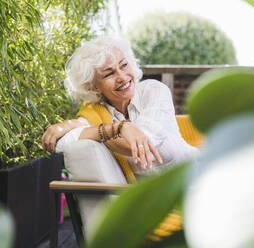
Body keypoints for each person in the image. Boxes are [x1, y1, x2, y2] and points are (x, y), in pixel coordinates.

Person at [41, 36, 198, 177]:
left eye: (123, 65)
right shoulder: (96, 113)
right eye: (109, 74)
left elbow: (142, 142)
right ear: (94, 87)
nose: (122, 77)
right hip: (161, 195)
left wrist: (81, 127)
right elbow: (61, 144)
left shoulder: (154, 91)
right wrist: (117, 129)